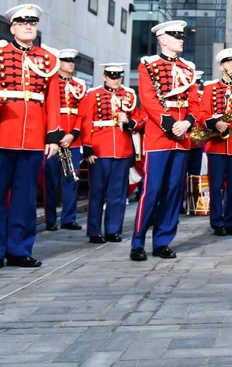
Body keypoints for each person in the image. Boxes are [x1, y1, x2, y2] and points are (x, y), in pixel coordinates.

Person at [0, 4, 62, 272]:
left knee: (25, 199)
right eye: (22, 23)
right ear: (12, 27)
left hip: (33, 138)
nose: (28, 26)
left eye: (32, 23)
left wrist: (53, 137)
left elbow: (53, 102)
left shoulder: (48, 59)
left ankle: (20, 250)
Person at [130, 20, 200, 262]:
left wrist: (188, 123)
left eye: (181, 35)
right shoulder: (148, 66)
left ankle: (162, 241)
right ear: (163, 39)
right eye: (175, 35)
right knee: (151, 190)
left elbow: (195, 102)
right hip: (160, 136)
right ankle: (137, 241)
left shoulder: (189, 68)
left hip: (183, 137)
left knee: (173, 191)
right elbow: (148, 100)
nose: (181, 39)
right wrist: (172, 125)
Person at [80, 63, 138, 243]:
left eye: (118, 76)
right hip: (99, 149)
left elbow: (138, 118)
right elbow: (85, 121)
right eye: (112, 76)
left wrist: (128, 120)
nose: (115, 80)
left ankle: (113, 230)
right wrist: (87, 148)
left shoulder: (129, 95)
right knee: (97, 192)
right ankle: (95, 231)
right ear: (104, 76)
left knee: (118, 193)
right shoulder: (93, 94)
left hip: (122, 149)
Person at [199, 48, 232, 237]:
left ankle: (230, 221)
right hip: (216, 143)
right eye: (227, 62)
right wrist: (215, 123)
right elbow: (202, 114)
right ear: (221, 66)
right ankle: (216, 222)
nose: (231, 65)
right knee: (215, 186)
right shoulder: (210, 89)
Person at [43, 49, 86, 232]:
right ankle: (50, 219)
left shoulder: (79, 85)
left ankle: (68, 218)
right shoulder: (50, 84)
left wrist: (73, 134)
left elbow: (83, 113)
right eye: (66, 60)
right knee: (51, 181)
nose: (70, 63)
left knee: (71, 179)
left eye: (72, 60)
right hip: (54, 138)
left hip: (72, 140)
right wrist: (54, 134)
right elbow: (46, 110)